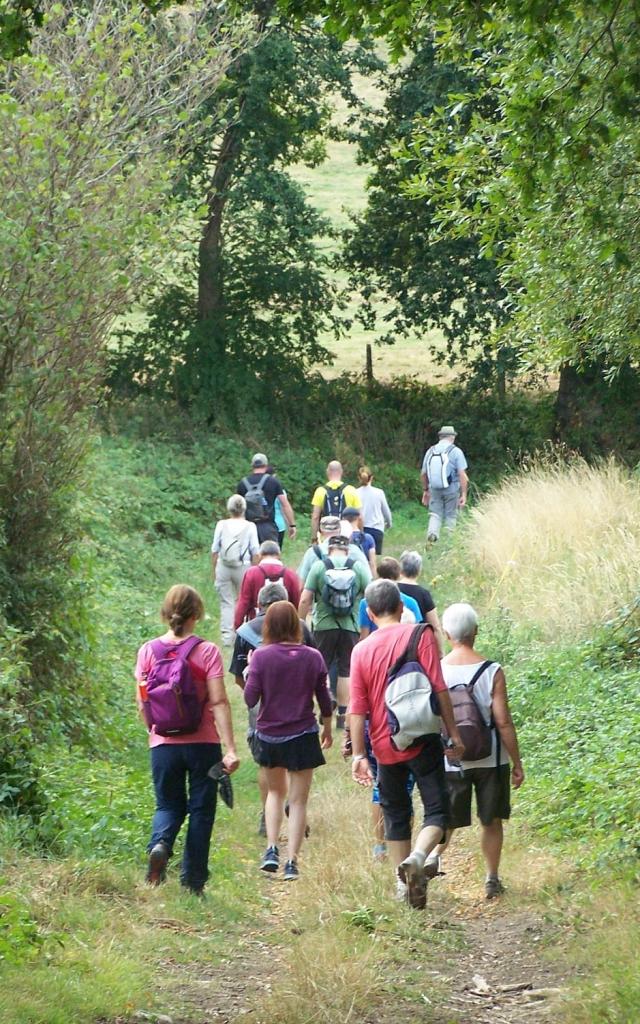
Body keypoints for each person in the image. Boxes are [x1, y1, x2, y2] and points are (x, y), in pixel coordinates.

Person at [349, 579, 464, 909]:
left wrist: (359, 754)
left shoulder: (361, 650)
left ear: (370, 613)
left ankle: (403, 891)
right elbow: (439, 687)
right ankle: (417, 857)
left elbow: (357, 707)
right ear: (402, 607)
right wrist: (452, 732)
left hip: (385, 743)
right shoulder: (420, 635)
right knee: (438, 811)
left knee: (396, 813)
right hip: (423, 737)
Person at [136, 585, 240, 896]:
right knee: (201, 810)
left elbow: (143, 701)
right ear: (197, 614)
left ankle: (161, 844)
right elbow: (219, 702)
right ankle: (193, 882)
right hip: (203, 744)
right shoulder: (206, 651)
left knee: (167, 804)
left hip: (163, 743)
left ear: (166, 614)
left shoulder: (147, 652)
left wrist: (152, 731)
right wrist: (231, 748)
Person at [429, 603, 524, 899]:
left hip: (450, 759)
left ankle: (427, 860)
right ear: (476, 632)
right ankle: (492, 879)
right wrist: (517, 762)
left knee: (445, 820)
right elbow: (503, 721)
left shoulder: (437, 670)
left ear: (446, 634)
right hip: (491, 758)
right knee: (491, 820)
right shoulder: (492, 670)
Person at [244, 601, 333, 880]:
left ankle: (271, 848)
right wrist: (328, 727)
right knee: (298, 801)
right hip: (303, 734)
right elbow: (325, 700)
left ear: (268, 626)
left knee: (274, 793)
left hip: (269, 734)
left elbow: (250, 699)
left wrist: (249, 671)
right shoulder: (313, 657)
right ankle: (292, 862)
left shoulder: (260, 656)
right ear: (297, 625)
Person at [230, 582, 318, 836]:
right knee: (296, 761)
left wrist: (254, 694)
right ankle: (294, 803)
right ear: (286, 602)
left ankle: (267, 813)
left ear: (259, 605)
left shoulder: (245, 632)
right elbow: (315, 666)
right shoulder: (300, 627)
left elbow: (237, 676)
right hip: (299, 706)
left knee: (266, 763)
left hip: (261, 709)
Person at [298, 535, 370, 727]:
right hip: (350, 626)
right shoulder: (357, 567)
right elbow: (371, 595)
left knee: (322, 667)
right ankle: (343, 714)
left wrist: (300, 622)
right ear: (347, 549)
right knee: (346, 669)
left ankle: (326, 703)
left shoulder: (320, 566)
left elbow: (305, 598)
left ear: (329, 549)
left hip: (323, 625)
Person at [211, 495, 260, 647]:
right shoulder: (250, 526)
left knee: (226, 602)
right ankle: (243, 634)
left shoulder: (221, 524)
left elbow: (214, 550)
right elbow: (256, 552)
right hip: (243, 567)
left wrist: (215, 571)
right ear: (244, 508)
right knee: (243, 601)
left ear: (229, 508)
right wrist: (254, 569)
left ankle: (227, 638)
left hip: (223, 566)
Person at [233, 540, 301, 630]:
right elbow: (296, 603)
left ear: (260, 555)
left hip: (256, 627)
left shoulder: (252, 573)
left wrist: (237, 624)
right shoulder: (290, 574)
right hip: (284, 626)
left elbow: (244, 602)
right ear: (279, 555)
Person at [420, 426, 469, 542]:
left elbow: (423, 474)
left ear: (440, 437)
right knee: (451, 515)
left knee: (435, 514)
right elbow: (463, 475)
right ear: (452, 437)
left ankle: (432, 535)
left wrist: (425, 490)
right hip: (451, 489)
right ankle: (449, 541)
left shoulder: (430, 451)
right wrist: (464, 494)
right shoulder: (456, 451)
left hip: (434, 489)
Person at [237, 453, 297, 545]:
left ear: (252, 466)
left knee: (250, 557)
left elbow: (238, 508)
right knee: (271, 556)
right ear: (266, 465)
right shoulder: (273, 481)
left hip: (248, 527)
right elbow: (285, 504)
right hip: (268, 527)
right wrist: (292, 525)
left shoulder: (242, 483)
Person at [297, 515, 372, 587]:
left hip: (321, 600)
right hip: (352, 599)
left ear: (321, 531)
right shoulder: (354, 550)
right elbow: (369, 579)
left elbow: (301, 584)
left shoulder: (313, 552)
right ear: (340, 529)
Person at [358, 557, 422, 639]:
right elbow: (416, 635)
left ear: (378, 574)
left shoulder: (366, 602)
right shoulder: (411, 602)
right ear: (398, 575)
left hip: (376, 647)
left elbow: (364, 635)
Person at [398, 550, 444, 655]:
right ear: (419, 570)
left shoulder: (391, 590)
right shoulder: (424, 594)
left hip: (394, 642)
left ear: (401, 569)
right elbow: (435, 627)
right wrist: (441, 653)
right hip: (417, 645)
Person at [310, 461, 361, 542]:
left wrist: (314, 538)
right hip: (346, 534)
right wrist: (360, 533)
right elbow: (359, 516)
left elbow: (315, 517)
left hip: (326, 534)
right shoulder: (351, 490)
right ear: (341, 471)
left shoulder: (320, 491)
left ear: (327, 472)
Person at [356, 466, 392, 555]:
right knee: (374, 560)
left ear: (359, 478)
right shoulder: (379, 493)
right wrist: (389, 523)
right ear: (371, 478)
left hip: (360, 529)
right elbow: (386, 512)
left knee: (362, 558)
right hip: (376, 530)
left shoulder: (355, 493)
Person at [341, 507, 377, 577]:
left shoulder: (340, 538)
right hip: (363, 574)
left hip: (346, 575)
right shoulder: (368, 538)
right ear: (358, 518)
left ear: (343, 519)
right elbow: (372, 563)